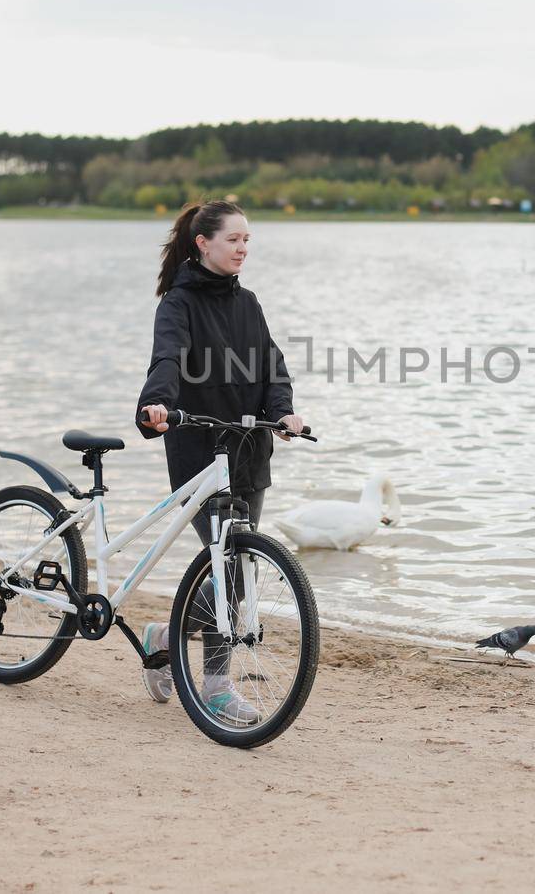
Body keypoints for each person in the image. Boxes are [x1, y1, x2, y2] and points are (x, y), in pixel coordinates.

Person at [134, 199, 302, 724]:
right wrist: (156, 405)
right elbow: (167, 360)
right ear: (203, 243)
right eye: (234, 240)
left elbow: (271, 366)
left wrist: (285, 413)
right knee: (226, 563)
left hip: (249, 451)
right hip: (199, 450)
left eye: (247, 240)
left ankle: (164, 635)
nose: (243, 248)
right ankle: (216, 685)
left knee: (238, 565)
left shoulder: (248, 303)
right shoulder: (177, 305)